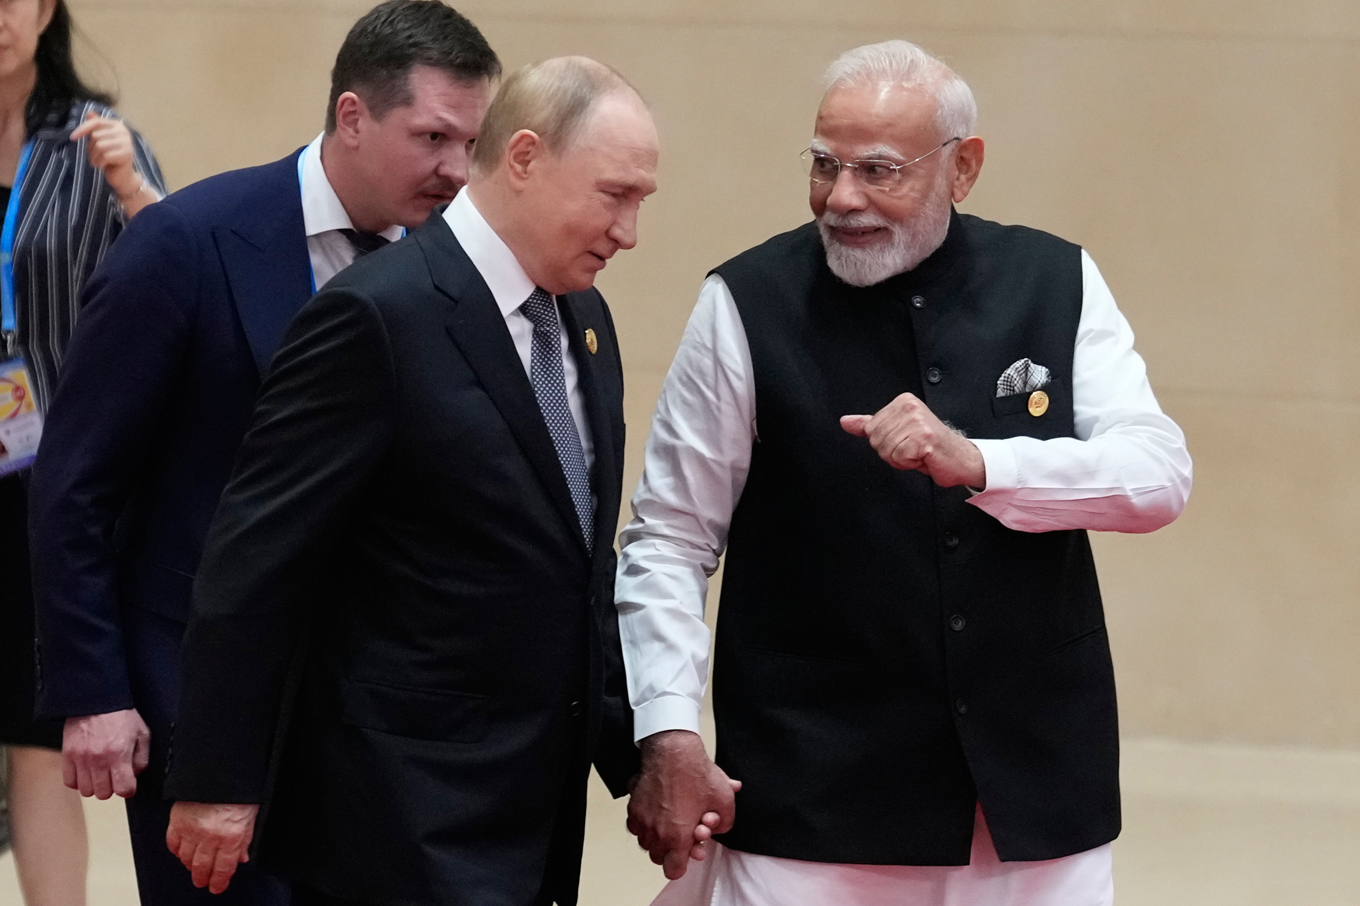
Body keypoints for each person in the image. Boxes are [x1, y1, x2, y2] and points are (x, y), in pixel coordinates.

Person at [618, 39, 1194, 906]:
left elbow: (1157, 477)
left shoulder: (1057, 280)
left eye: (880, 171)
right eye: (823, 165)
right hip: (813, 798)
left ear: (963, 169)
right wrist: (666, 730)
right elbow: (668, 538)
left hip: (1033, 801)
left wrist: (981, 462)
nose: (842, 198)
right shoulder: (743, 302)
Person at [26, 3, 499, 904]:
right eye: (433, 136)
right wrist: (96, 689)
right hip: (198, 699)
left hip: (380, 708)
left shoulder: (452, 268)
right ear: (353, 116)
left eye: (468, 142)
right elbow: (75, 483)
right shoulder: (187, 244)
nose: (454, 170)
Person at [159, 56, 658, 906]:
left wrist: (642, 756)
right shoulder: (374, 315)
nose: (630, 231)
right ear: (527, 158)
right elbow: (255, 560)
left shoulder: (583, 318)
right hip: (396, 809)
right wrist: (215, 778)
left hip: (533, 810)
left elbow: (575, 565)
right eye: (615, 195)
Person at [0, 0, 164, 904]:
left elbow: (177, 279)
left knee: (34, 734)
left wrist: (135, 193)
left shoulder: (95, 142)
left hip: (40, 486)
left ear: (47, 9)